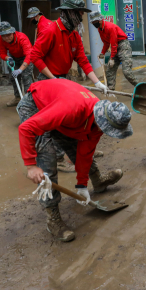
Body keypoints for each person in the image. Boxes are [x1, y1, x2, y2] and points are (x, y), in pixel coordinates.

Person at [18, 78, 132, 242]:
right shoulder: (71, 109)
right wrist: (30, 165)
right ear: (102, 121)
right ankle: (53, 218)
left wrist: (82, 184)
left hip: (59, 109)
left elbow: (85, 151)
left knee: (75, 145)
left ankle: (97, 182)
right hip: (35, 106)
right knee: (47, 161)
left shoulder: (100, 116)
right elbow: (26, 128)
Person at [29, 0, 107, 90]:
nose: (81, 18)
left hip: (64, 77)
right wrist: (53, 78)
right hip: (48, 79)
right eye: (80, 13)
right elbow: (34, 56)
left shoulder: (75, 36)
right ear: (70, 13)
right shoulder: (50, 31)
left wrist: (97, 83)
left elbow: (83, 61)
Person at [88, 11, 138, 90]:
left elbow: (114, 44)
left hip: (123, 45)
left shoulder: (110, 27)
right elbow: (106, 43)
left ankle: (140, 86)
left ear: (100, 20)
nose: (94, 23)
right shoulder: (100, 29)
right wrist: (102, 53)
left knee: (126, 72)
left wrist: (111, 58)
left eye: (95, 21)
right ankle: (111, 91)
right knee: (109, 71)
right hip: (115, 47)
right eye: (92, 22)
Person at [0, 21, 34, 107]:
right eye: (3, 35)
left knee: (26, 77)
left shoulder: (22, 38)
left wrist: (20, 69)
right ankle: (18, 98)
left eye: (8, 34)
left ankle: (30, 100)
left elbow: (29, 55)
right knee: (14, 77)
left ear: (12, 32)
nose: (6, 37)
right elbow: (2, 53)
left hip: (26, 57)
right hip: (13, 57)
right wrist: (8, 58)